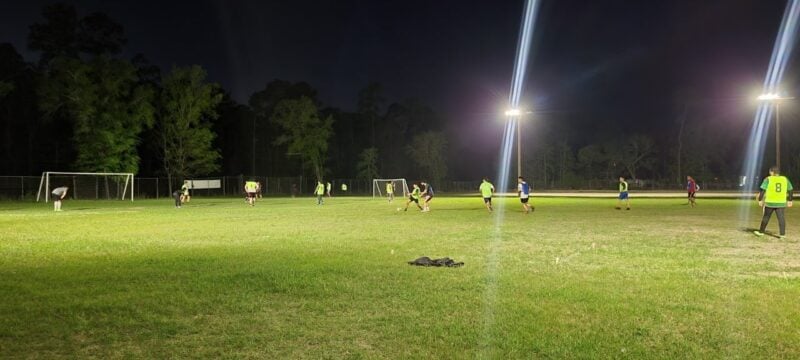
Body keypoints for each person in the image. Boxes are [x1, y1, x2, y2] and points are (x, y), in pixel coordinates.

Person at [755, 167, 793, 238]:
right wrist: (790, 200)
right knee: (781, 218)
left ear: (772, 172)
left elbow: (762, 190)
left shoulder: (768, 179)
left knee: (766, 217)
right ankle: (782, 235)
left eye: (770, 172)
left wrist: (760, 200)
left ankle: (761, 232)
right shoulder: (785, 179)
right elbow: (790, 190)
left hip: (770, 202)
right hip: (781, 202)